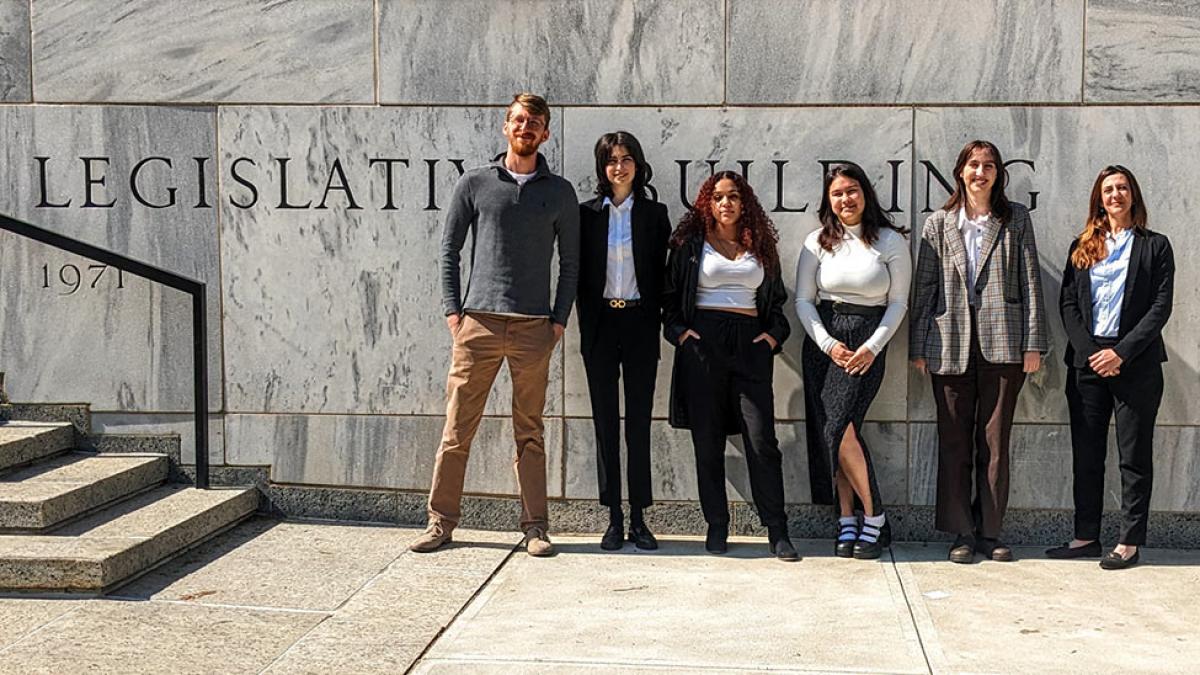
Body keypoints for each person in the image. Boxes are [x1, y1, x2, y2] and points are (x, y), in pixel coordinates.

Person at [410, 93, 580, 557]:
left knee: (530, 429)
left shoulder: (560, 192)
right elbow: (449, 250)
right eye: (519, 120)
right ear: (506, 127)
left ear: (545, 134)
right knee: (457, 429)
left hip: (533, 328)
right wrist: (453, 312)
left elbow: (571, 264)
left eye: (535, 123)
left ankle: (535, 528)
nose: (526, 128)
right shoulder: (475, 183)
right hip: (478, 325)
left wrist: (558, 322)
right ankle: (440, 523)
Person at [909, 140, 1048, 564]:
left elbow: (1030, 282)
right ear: (960, 171)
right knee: (953, 440)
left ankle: (990, 531)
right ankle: (961, 532)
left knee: (994, 442)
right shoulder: (939, 223)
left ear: (998, 174)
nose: (980, 172)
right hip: (948, 343)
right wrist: (919, 346)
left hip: (1004, 344)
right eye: (973, 164)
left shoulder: (1015, 218)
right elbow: (925, 287)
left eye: (988, 165)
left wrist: (1033, 343)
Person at [663, 170, 796, 560]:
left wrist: (772, 337)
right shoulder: (690, 245)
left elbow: (777, 303)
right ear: (707, 202)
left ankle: (777, 529)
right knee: (707, 442)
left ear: (744, 203)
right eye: (718, 197)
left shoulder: (761, 246)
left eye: (733, 196)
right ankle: (717, 524)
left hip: (749, 345)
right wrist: (681, 334)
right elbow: (669, 299)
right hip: (703, 345)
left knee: (761, 441)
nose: (726, 204)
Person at [1047, 165, 1174, 570]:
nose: (1115, 195)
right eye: (1108, 190)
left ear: (1132, 195)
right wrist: (1089, 352)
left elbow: (1160, 307)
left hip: (1135, 363)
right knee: (1087, 453)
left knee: (1133, 456)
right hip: (1087, 363)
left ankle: (1129, 542)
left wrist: (1121, 352)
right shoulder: (1083, 245)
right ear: (1098, 199)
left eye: (1121, 188)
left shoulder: (1156, 246)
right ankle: (1085, 536)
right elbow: (1067, 302)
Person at [795, 163, 911, 560]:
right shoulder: (817, 242)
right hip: (824, 343)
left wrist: (873, 347)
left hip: (867, 340)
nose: (846, 199)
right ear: (829, 201)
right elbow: (803, 300)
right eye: (837, 193)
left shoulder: (891, 242)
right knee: (836, 433)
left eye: (852, 190)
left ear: (865, 193)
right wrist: (826, 343)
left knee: (841, 429)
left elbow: (898, 303)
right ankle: (847, 518)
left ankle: (874, 517)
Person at [576, 131, 671, 551]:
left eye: (626, 158)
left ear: (638, 163)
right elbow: (575, 274)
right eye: (611, 160)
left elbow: (663, 275)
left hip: (639, 325)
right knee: (604, 423)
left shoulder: (655, 214)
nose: (619, 166)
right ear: (602, 167)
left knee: (637, 423)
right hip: (599, 326)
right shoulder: (586, 214)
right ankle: (613, 516)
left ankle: (639, 518)